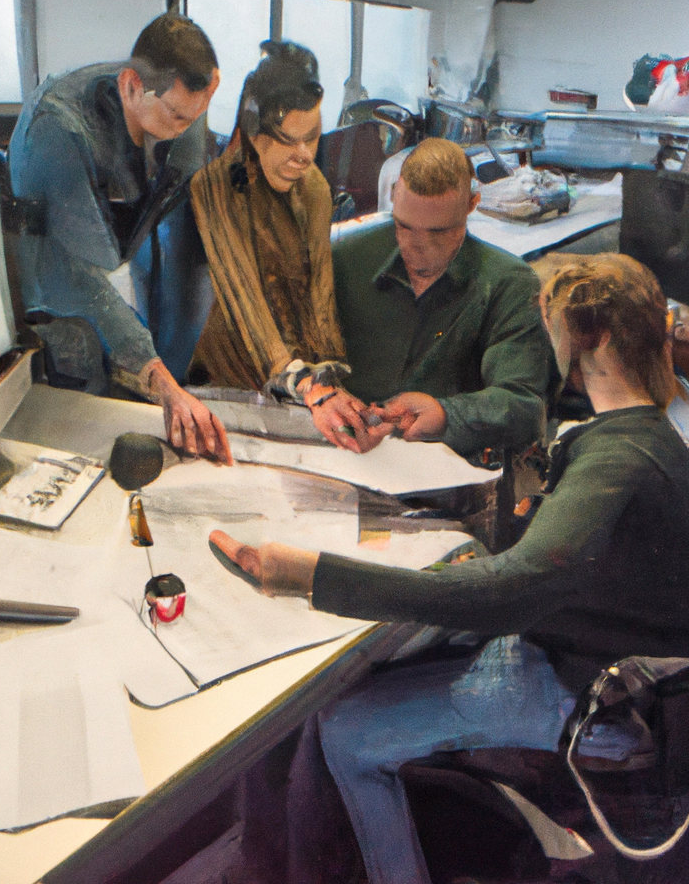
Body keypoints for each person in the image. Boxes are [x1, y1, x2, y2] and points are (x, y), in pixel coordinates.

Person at [211, 253, 689, 884]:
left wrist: (310, 575)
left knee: (347, 729)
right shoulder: (647, 429)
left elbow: (508, 594)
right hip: (603, 657)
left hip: (599, 697)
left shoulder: (617, 461)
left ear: (592, 337)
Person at [8, 13, 231, 463]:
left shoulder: (180, 111)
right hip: (45, 282)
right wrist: (157, 375)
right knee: (75, 382)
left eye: (196, 117)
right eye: (176, 115)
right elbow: (73, 278)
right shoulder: (58, 131)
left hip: (107, 255)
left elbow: (186, 197)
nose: (186, 128)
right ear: (131, 86)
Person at [185, 41, 372, 451]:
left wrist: (330, 380)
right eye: (289, 141)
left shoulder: (315, 188)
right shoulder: (217, 187)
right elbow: (243, 297)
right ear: (255, 134)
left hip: (297, 383)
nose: (304, 157)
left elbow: (320, 295)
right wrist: (304, 383)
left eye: (313, 138)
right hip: (230, 377)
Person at [329, 137, 553, 458]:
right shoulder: (345, 257)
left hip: (441, 470)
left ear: (472, 204)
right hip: (338, 454)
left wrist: (447, 414)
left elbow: (525, 407)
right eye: (404, 226)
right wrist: (321, 393)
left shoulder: (508, 284)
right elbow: (287, 358)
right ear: (393, 197)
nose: (419, 248)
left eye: (439, 232)